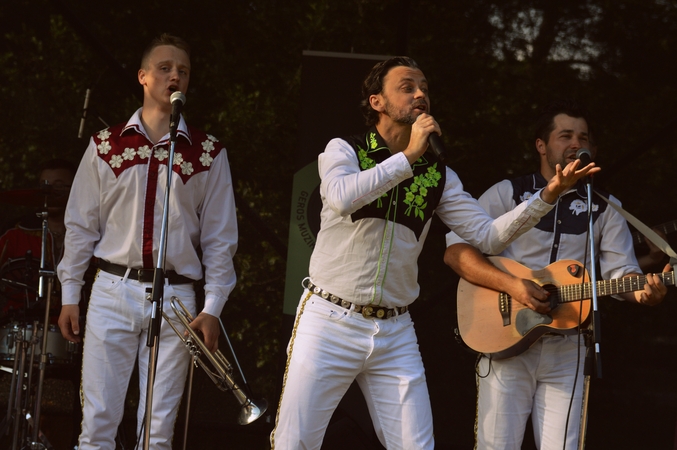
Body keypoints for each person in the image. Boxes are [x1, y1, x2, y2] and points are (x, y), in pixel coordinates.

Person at [270, 58, 597, 450]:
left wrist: (548, 195)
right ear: (377, 101)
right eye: (407, 87)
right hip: (330, 319)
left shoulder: (438, 174)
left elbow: (488, 237)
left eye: (424, 87)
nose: (420, 94)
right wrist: (408, 156)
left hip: (395, 329)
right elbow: (341, 197)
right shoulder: (345, 149)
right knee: (294, 442)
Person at [443, 99, 670, 450]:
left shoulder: (605, 207)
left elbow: (621, 272)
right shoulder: (508, 193)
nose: (576, 143)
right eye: (566, 136)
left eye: (584, 137)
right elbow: (456, 252)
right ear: (542, 145)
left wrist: (644, 293)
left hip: (569, 348)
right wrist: (513, 286)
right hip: (506, 341)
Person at [57, 34, 238, 449]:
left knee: (157, 433)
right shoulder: (106, 145)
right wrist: (69, 294)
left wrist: (213, 307)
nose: (175, 76)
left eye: (183, 71)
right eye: (165, 68)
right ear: (142, 76)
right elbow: (81, 225)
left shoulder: (208, 153)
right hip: (112, 290)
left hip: (177, 298)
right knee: (98, 423)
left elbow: (220, 238)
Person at [0, 158, 77, 317]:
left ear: (76, 188)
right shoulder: (15, 236)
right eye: (45, 185)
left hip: (77, 323)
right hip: (20, 322)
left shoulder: (91, 237)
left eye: (59, 186)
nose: (50, 192)